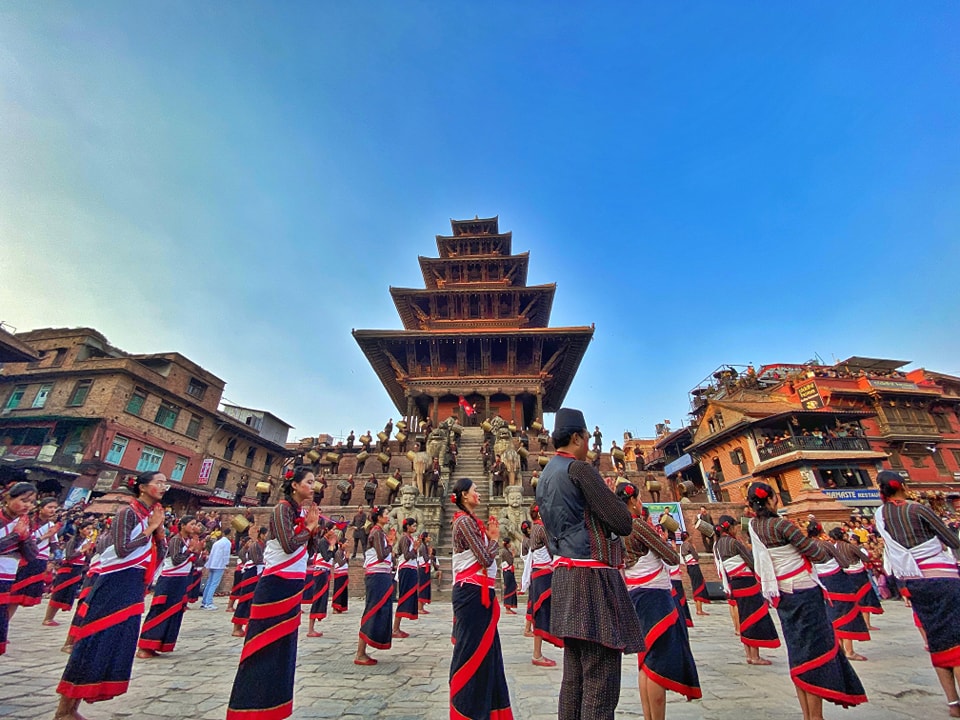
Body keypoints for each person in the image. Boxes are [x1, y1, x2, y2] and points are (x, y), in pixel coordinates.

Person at [536, 408, 644, 720]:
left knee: (574, 676)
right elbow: (622, 521)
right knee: (601, 677)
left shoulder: (544, 476)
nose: (588, 444)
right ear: (576, 437)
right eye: (586, 438)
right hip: (592, 577)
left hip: (564, 576)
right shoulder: (580, 470)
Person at [747, 481, 867, 717]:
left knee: (798, 651)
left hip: (783, 593)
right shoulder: (782, 525)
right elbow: (817, 554)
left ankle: (808, 714)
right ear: (770, 499)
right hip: (804, 592)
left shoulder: (754, 526)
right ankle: (816, 716)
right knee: (814, 652)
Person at [54, 472, 167, 720]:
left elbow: (160, 551)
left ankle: (75, 704)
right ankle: (65, 709)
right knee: (94, 637)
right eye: (158, 482)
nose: (163, 486)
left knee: (115, 639)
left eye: (165, 483)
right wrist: (151, 528)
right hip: (114, 582)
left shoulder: (152, 514)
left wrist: (158, 531)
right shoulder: (128, 513)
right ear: (142, 487)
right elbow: (122, 548)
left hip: (133, 582)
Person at [226, 467, 320, 720]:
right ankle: (249, 708)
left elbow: (307, 549)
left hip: (292, 584)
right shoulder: (282, 509)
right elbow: (288, 545)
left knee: (282, 648)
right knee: (264, 645)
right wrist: (309, 528)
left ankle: (273, 706)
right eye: (309, 482)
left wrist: (314, 530)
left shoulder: (299, 512)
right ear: (294, 485)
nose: (313, 486)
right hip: (276, 584)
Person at [873, 471, 960, 717]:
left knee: (937, 639)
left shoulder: (881, 515)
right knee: (957, 638)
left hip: (914, 582)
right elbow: (952, 540)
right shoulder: (916, 509)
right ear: (902, 485)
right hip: (941, 578)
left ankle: (953, 703)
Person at [618, 482, 701, 718]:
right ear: (632, 501)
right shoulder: (637, 525)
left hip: (634, 594)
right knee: (657, 663)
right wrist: (664, 540)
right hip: (653, 597)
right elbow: (672, 557)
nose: (640, 502)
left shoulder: (616, 528)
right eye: (639, 498)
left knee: (646, 662)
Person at [449, 477, 512, 719]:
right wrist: (494, 540)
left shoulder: (471, 521)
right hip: (471, 594)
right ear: (464, 495)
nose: (479, 494)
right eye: (475, 490)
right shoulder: (464, 522)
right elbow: (485, 558)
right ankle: (466, 709)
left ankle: (486, 708)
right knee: (472, 651)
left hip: (480, 592)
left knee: (487, 652)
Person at [712, 515, 780, 665]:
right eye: (735, 527)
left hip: (735, 583)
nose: (737, 529)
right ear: (730, 527)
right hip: (747, 583)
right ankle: (755, 656)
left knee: (744, 616)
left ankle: (749, 654)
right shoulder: (733, 542)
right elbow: (749, 560)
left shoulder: (718, 544)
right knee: (754, 616)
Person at [137, 515, 203, 657]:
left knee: (174, 612)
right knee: (160, 611)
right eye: (191, 524)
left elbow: (192, 561)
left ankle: (158, 644)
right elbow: (176, 559)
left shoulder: (188, 541)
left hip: (181, 579)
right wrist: (190, 550)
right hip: (169, 580)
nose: (194, 527)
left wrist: (197, 552)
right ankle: (145, 646)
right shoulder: (176, 540)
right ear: (183, 525)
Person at [807, 521, 870, 662]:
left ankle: (839, 648)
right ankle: (849, 651)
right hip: (837, 581)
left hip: (818, 582)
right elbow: (844, 563)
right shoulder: (826, 545)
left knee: (831, 614)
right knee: (846, 613)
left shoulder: (804, 547)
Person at [1, 482, 39, 655]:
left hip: (7, 578)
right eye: (24, 500)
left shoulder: (24, 522)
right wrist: (16, 535)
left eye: (32, 502)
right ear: (8, 498)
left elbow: (32, 554)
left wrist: (24, 537)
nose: (28, 506)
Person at [355, 505, 393, 665]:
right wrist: (390, 544)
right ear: (379, 517)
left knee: (378, 609)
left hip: (381, 575)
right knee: (372, 609)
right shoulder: (376, 532)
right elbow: (381, 555)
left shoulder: (379, 532)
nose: (388, 516)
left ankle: (363, 650)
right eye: (386, 514)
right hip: (377, 576)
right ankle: (360, 653)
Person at [10, 496, 59, 615]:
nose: (53, 510)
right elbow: (26, 542)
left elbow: (54, 545)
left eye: (55, 508)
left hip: (39, 561)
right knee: (12, 592)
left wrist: (53, 560)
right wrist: (46, 536)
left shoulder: (51, 525)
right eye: (50, 507)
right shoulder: (28, 521)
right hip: (25, 558)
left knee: (18, 596)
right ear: (40, 508)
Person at [829, 527, 884, 630]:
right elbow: (865, 558)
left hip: (844, 575)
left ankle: (852, 624)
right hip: (859, 575)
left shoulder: (833, 548)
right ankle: (867, 624)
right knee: (864, 599)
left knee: (850, 600)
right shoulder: (850, 547)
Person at [527, 504, 560, 666]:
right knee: (542, 611)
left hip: (538, 572)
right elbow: (552, 547)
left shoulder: (535, 527)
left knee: (540, 610)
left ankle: (538, 652)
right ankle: (537, 654)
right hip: (543, 573)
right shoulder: (541, 528)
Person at [44, 522, 95, 627]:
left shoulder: (87, 542)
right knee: (58, 593)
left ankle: (51, 617)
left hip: (77, 570)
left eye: (91, 529)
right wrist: (82, 550)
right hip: (68, 570)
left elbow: (87, 558)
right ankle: (47, 618)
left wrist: (88, 552)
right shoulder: (73, 541)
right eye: (87, 528)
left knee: (66, 594)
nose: (89, 531)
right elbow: (69, 556)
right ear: (80, 530)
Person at [231, 527, 266, 638]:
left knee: (253, 601)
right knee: (245, 600)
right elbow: (257, 560)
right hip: (251, 574)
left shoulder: (262, 545)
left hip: (256, 573)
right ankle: (237, 627)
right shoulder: (255, 546)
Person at [308, 524, 337, 638]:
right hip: (320, 573)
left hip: (325, 572)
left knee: (321, 598)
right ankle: (310, 629)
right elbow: (327, 557)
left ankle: (313, 627)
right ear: (327, 530)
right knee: (317, 598)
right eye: (333, 529)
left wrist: (333, 546)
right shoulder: (323, 542)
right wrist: (332, 546)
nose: (334, 532)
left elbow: (333, 555)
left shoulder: (328, 542)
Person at [393, 517, 420, 637]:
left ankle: (397, 627)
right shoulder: (404, 539)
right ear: (407, 527)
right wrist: (415, 548)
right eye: (413, 526)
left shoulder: (410, 538)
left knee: (409, 595)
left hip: (411, 569)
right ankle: (395, 628)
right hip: (406, 569)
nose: (415, 528)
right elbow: (407, 555)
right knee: (404, 596)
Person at [679, 531, 710, 617]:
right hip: (694, 567)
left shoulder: (682, 546)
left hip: (689, 567)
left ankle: (698, 608)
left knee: (695, 585)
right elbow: (696, 557)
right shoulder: (689, 545)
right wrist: (695, 549)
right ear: (688, 537)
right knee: (698, 586)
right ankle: (699, 609)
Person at [201, 528, 232, 610]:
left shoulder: (217, 543)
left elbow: (211, 554)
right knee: (214, 584)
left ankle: (204, 602)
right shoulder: (227, 543)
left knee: (209, 583)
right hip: (219, 565)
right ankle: (208, 602)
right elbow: (226, 554)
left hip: (212, 564)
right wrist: (226, 564)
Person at [417, 530, 434, 615]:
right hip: (423, 569)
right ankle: (419, 608)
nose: (429, 538)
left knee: (425, 586)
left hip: (425, 569)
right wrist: (430, 554)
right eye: (428, 536)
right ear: (425, 538)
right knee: (422, 587)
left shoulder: (425, 546)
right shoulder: (423, 547)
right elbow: (426, 558)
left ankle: (422, 607)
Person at [331, 540, 349, 613]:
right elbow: (341, 563)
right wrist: (346, 558)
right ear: (341, 544)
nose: (347, 544)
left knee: (343, 591)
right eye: (346, 542)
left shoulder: (344, 552)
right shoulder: (338, 553)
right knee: (338, 590)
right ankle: (335, 607)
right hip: (339, 574)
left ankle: (341, 607)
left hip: (344, 573)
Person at [501, 538, 518, 614]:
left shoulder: (506, 551)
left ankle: (510, 606)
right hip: (507, 572)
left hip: (509, 571)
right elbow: (510, 561)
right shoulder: (504, 551)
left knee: (512, 587)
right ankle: (507, 607)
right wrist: (513, 555)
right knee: (509, 588)